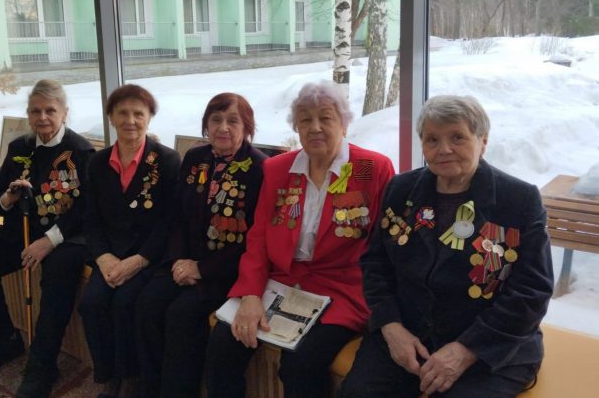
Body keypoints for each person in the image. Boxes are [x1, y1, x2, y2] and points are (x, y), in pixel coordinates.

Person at [339, 95, 554, 398]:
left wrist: (467, 349)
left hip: (488, 345)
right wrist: (390, 326)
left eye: (457, 137)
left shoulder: (518, 200)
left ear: (482, 141)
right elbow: (376, 264)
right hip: (408, 334)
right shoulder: (401, 190)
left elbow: (532, 291)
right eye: (432, 139)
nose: (444, 149)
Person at [204, 81, 395, 398]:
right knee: (223, 345)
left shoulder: (371, 169)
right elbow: (259, 238)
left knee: (301, 365)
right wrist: (250, 294)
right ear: (296, 127)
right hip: (281, 283)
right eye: (305, 120)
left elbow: (383, 250)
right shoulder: (278, 169)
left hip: (342, 291)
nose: (315, 127)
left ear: (344, 123)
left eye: (326, 118)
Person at [0, 79, 94, 398]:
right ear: (29, 114)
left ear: (64, 113)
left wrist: (50, 240)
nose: (42, 117)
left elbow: (87, 209)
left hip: (67, 236)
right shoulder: (19, 147)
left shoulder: (81, 150)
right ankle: (1, 341)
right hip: (20, 229)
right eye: (35, 111)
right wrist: (8, 198)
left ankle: (42, 366)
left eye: (50, 110)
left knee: (58, 274)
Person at [135, 92, 268, 397]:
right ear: (206, 125)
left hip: (226, 272)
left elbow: (255, 239)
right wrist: (179, 260)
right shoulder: (196, 158)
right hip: (183, 262)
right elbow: (178, 216)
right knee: (147, 304)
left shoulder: (259, 168)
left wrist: (202, 269)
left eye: (233, 121)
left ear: (247, 126)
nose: (223, 127)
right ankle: (151, 387)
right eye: (216, 120)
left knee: (182, 315)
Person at [78, 84, 181, 398]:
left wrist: (140, 260)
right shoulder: (97, 163)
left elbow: (170, 222)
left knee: (126, 304)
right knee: (91, 304)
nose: (131, 120)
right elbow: (90, 218)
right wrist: (103, 257)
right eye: (122, 113)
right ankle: (108, 375)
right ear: (111, 117)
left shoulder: (166, 160)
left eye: (139, 113)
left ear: (149, 117)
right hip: (110, 255)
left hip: (149, 257)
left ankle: (132, 377)